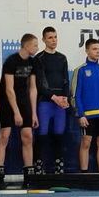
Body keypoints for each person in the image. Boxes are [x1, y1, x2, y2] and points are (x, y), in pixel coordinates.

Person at [0, 33, 39, 189]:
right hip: (7, 102)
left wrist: (33, 112)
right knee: (4, 136)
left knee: (27, 136)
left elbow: (33, 89)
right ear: (26, 46)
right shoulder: (11, 61)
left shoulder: (33, 62)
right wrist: (16, 112)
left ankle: (28, 176)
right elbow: (9, 89)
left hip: (23, 101)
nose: (37, 48)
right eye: (35, 45)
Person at [72, 38, 99, 172]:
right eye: (94, 49)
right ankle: (84, 174)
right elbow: (75, 94)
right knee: (86, 143)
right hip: (87, 115)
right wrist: (81, 114)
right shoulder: (80, 70)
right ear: (87, 51)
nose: (97, 52)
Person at [33, 26, 70, 174]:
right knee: (41, 136)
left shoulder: (62, 58)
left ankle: (59, 169)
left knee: (59, 136)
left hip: (60, 103)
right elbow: (39, 84)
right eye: (50, 38)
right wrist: (53, 97)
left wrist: (64, 98)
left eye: (55, 37)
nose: (53, 40)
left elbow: (66, 80)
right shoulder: (39, 58)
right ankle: (38, 169)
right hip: (45, 102)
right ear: (43, 40)